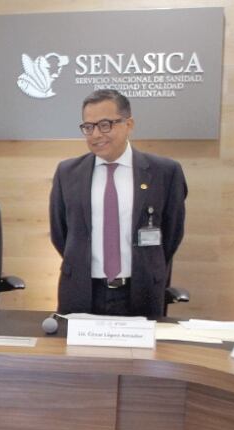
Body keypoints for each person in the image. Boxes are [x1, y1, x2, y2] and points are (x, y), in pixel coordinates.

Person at [49, 89, 187, 318]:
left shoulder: (164, 172)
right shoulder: (68, 172)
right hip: (82, 291)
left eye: (105, 125)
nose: (95, 134)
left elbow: (172, 234)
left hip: (140, 291)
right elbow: (60, 233)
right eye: (88, 127)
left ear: (128, 124)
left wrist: (149, 265)